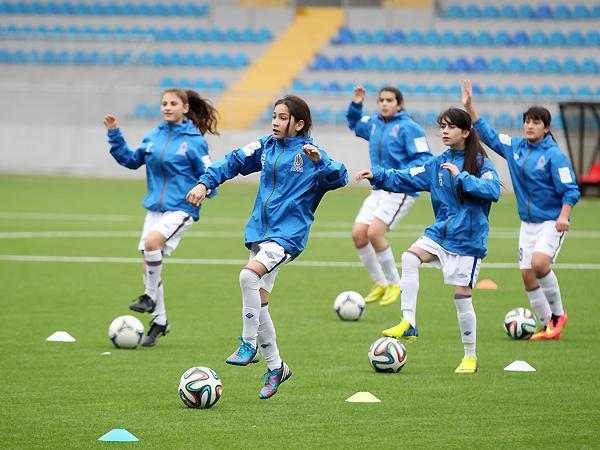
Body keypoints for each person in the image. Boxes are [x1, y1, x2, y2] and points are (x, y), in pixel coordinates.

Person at [186, 95, 348, 398]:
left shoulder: (311, 154)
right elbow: (232, 162)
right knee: (259, 302)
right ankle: (276, 367)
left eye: (283, 117)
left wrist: (320, 161)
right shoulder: (265, 146)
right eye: (274, 115)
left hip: (288, 236)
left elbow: (341, 176)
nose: (275, 121)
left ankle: (248, 344)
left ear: (299, 124)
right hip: (261, 233)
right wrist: (205, 183)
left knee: (248, 275)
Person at [356, 108, 500, 374]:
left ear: (465, 132)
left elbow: (492, 190)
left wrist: (462, 177)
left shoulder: (480, 162)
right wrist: (377, 175)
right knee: (410, 257)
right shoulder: (438, 163)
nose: (444, 131)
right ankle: (409, 321)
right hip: (440, 233)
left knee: (462, 297)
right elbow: (408, 176)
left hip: (468, 240)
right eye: (442, 126)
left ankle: (470, 356)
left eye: (451, 127)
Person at [462, 80, 580, 340]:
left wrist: (563, 215)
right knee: (527, 275)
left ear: (546, 128)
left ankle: (559, 315)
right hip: (528, 223)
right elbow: (488, 134)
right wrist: (470, 106)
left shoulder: (555, 155)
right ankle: (548, 325)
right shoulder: (515, 146)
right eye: (527, 121)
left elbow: (570, 189)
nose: (529, 125)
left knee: (539, 264)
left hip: (551, 221)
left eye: (536, 122)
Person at [104, 88, 218, 346]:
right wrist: (114, 134)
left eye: (173, 103)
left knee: (151, 244)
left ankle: (149, 296)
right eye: (164, 103)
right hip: (155, 208)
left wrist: (207, 189)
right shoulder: (153, 136)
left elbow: (209, 173)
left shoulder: (194, 141)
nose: (167, 107)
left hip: (182, 207)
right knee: (148, 263)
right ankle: (160, 320)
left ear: (185, 108)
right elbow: (131, 160)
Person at [346, 86, 433, 306]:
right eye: (381, 100)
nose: (384, 103)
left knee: (374, 233)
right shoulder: (374, 123)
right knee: (358, 235)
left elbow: (424, 159)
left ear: (399, 104)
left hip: (400, 189)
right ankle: (381, 283)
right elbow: (354, 123)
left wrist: (399, 176)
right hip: (378, 188)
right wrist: (357, 103)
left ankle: (395, 283)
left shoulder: (410, 128)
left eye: (390, 100)